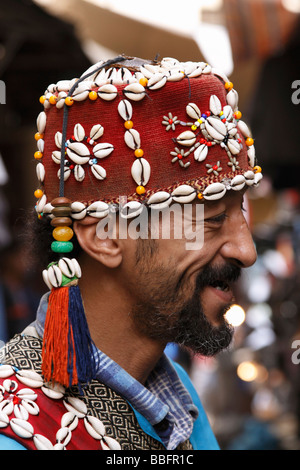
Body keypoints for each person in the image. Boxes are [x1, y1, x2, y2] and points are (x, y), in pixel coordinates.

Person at [0, 55, 262, 450]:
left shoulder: (178, 393)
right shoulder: (16, 428)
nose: (247, 250)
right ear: (105, 236)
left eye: (239, 211)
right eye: (210, 219)